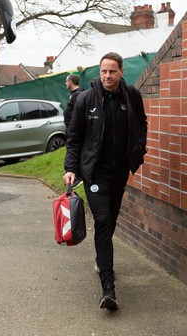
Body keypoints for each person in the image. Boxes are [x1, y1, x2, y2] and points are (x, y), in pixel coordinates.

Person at [62, 52, 147, 311]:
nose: (107, 76)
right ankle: (108, 288)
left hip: (119, 170)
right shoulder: (86, 99)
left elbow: (142, 123)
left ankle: (101, 257)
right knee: (102, 220)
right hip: (94, 172)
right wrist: (71, 168)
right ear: (99, 73)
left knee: (111, 218)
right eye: (103, 71)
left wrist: (139, 149)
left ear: (121, 71)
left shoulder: (131, 96)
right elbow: (74, 137)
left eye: (112, 71)